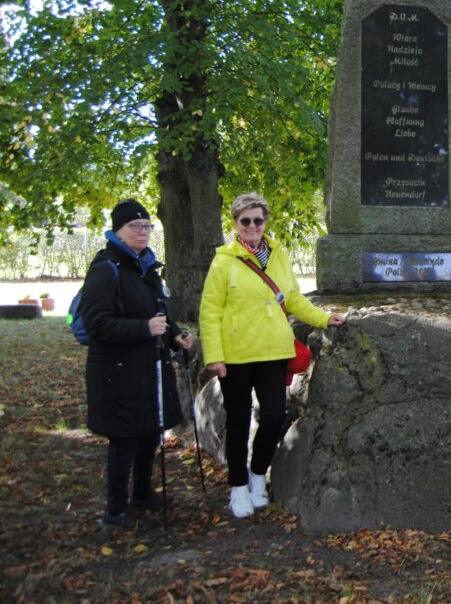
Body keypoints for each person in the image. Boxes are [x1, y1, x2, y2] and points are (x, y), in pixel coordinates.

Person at [200, 193, 347, 519]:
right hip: (236, 355)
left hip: (273, 351)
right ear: (236, 223)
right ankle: (237, 486)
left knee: (273, 416)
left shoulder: (278, 255)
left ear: (265, 222)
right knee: (238, 422)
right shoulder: (223, 260)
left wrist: (324, 318)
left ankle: (256, 474)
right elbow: (209, 311)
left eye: (258, 220)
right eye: (245, 221)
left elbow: (292, 298)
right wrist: (214, 355)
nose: (252, 226)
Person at [81, 198, 193, 530]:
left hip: (149, 369)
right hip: (117, 373)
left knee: (149, 433)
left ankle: (143, 494)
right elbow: (96, 323)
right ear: (118, 230)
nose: (142, 232)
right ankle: (115, 512)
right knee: (124, 439)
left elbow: (160, 313)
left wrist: (174, 335)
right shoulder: (106, 269)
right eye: (135, 226)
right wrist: (143, 328)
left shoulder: (147, 267)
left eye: (146, 226)